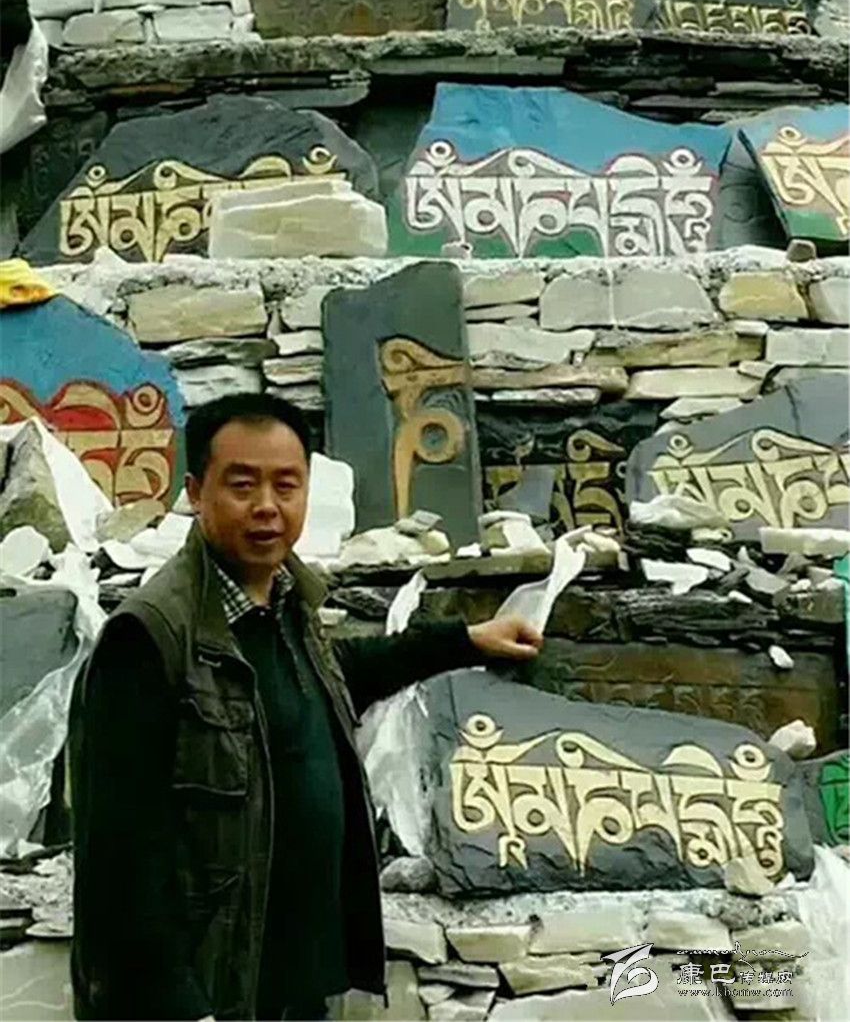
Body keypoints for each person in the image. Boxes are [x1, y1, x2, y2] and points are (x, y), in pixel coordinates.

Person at [68, 393, 543, 1022]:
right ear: (195, 493)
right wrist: (182, 1008)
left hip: (294, 986)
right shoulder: (150, 638)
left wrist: (465, 641)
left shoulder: (286, 605)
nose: (267, 506)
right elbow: (120, 860)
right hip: (214, 994)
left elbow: (335, 676)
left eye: (286, 485)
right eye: (242, 485)